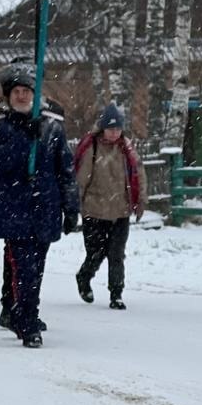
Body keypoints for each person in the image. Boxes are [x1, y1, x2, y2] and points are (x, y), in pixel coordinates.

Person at [0, 64, 79, 348]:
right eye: (17, 92)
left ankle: (23, 312)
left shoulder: (52, 127)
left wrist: (71, 207)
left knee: (36, 268)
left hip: (45, 208)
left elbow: (66, 170)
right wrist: (23, 139)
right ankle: (27, 321)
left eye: (27, 92)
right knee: (23, 268)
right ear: (8, 96)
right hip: (14, 209)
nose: (22, 97)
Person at [73, 102, 145, 310]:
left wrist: (140, 201)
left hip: (120, 210)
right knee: (95, 253)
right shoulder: (92, 147)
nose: (114, 133)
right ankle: (84, 278)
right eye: (111, 128)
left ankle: (116, 293)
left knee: (116, 254)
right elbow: (81, 179)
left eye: (118, 129)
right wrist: (74, 204)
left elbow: (139, 175)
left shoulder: (127, 149)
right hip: (94, 210)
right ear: (103, 128)